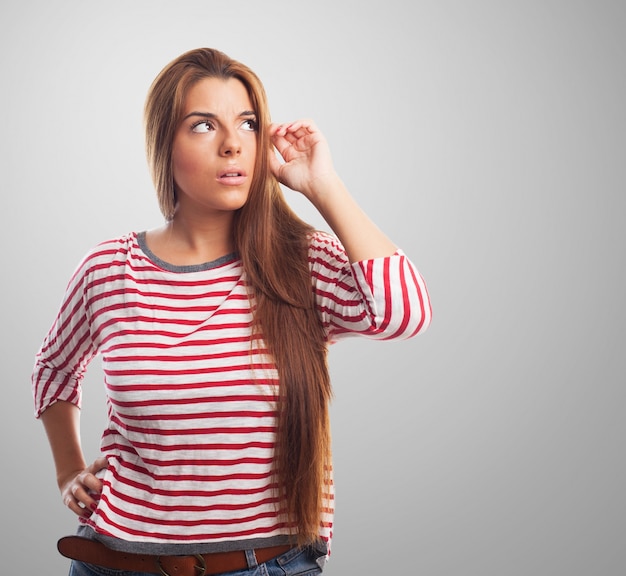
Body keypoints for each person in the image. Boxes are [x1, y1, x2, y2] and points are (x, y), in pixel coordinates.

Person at [32, 47, 431, 576]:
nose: (232, 144)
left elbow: (403, 313)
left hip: (267, 564)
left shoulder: (300, 264)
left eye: (247, 123)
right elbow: (54, 370)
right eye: (203, 125)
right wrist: (68, 472)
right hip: (116, 559)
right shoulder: (109, 269)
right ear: (163, 146)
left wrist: (322, 186)